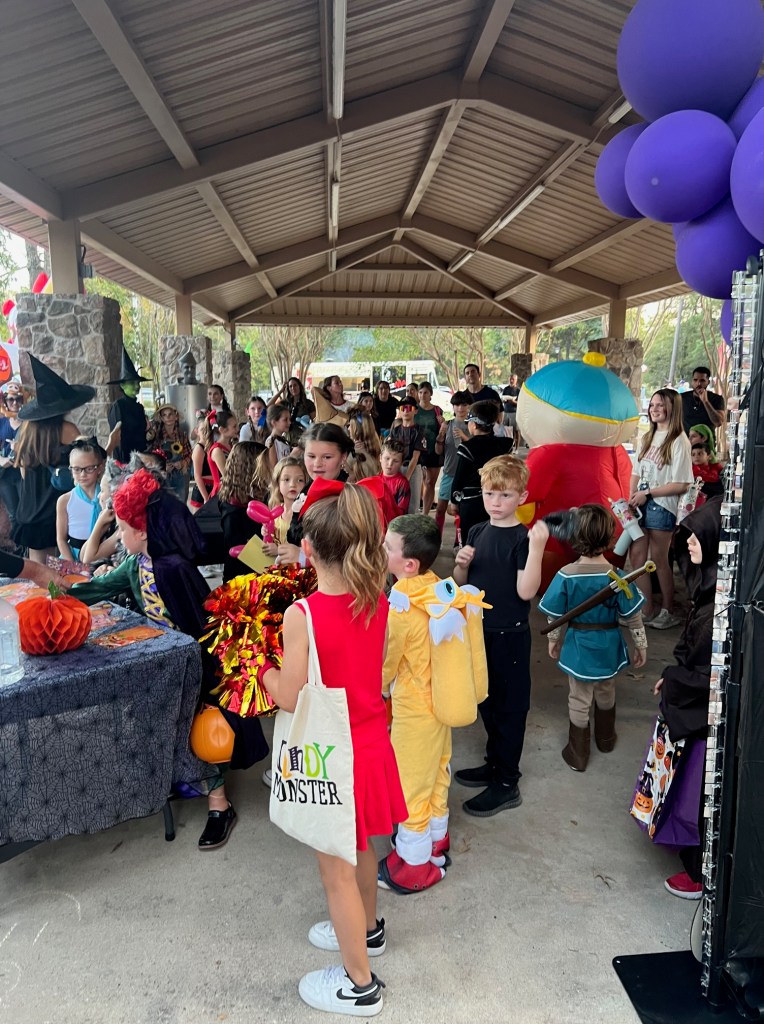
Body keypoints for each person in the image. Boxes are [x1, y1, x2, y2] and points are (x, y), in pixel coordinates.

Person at [261, 483, 406, 1017]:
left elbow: (289, 695)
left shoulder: (302, 615)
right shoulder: (378, 599)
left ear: (309, 549)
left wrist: (261, 669)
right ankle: (369, 930)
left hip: (332, 757)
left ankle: (359, 985)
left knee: (335, 871)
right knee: (360, 845)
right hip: (369, 744)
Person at [72, 469, 262, 851]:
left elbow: (202, 623)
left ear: (142, 531)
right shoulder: (135, 564)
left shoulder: (174, 568)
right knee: (165, 725)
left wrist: (211, 671)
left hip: (194, 666)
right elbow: (99, 588)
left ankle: (219, 804)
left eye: (123, 529)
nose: (119, 536)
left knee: (202, 730)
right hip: (161, 666)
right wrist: (56, 593)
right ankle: (179, 780)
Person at [378, 515, 480, 893]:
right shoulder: (437, 588)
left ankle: (414, 864)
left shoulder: (402, 607)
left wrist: (377, 689)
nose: (381, 549)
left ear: (409, 564)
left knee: (411, 786)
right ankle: (436, 841)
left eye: (388, 546)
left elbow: (386, 663)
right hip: (440, 701)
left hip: (413, 710)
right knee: (437, 772)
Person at [453, 455, 548, 816]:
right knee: (486, 702)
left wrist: (537, 549)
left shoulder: (523, 539)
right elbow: (462, 585)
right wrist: (461, 565)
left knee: (509, 708)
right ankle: (494, 763)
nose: (496, 501)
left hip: (509, 635)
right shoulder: (477, 531)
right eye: (490, 493)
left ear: (521, 497)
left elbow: (526, 591)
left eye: (505, 495)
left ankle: (507, 782)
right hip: (478, 631)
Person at [538, 504, 648, 772]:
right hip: (608, 645)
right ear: (610, 538)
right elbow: (634, 617)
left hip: (579, 646)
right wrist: (641, 645)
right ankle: (606, 739)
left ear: (574, 538)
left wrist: (554, 640)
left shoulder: (565, 575)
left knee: (579, 697)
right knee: (606, 689)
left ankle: (578, 754)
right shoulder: (618, 577)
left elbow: (555, 615)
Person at [654, 497, 721, 899]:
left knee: (703, 789)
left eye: (698, 537)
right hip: (698, 702)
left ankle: (700, 873)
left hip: (706, 715)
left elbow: (708, 674)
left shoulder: (718, 611)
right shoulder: (710, 592)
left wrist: (673, 679)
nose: (689, 544)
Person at [13, 355, 98, 563]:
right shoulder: (68, 430)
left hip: (30, 508)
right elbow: (87, 459)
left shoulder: (26, 432)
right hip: (54, 509)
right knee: (56, 568)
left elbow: (23, 472)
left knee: (36, 568)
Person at [629, 389, 692, 629]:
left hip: (661, 506)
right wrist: (631, 497)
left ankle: (667, 610)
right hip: (639, 503)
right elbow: (636, 472)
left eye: (660, 405)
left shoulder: (679, 440)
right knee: (636, 557)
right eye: (652, 404)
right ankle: (646, 609)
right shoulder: (648, 436)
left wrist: (648, 494)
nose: (654, 409)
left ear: (672, 408)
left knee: (658, 559)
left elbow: (682, 483)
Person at [276, 423, 353, 563]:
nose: (317, 463)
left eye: (327, 457)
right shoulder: (307, 488)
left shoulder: (348, 496)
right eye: (311, 456)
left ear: (343, 457)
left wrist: (304, 558)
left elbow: (346, 553)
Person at [448, 400, 513, 541]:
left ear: (474, 424)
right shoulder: (505, 445)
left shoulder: (468, 447)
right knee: (493, 538)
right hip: (498, 499)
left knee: (470, 540)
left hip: (472, 502)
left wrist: (454, 501)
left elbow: (459, 478)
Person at [218, 440, 267, 581]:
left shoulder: (243, 495)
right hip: (244, 577)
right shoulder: (234, 506)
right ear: (252, 466)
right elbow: (236, 548)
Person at [55, 437, 107, 561]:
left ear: (99, 468)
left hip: (101, 553)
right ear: (71, 469)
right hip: (72, 556)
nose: (83, 474)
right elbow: (61, 539)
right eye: (77, 469)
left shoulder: (106, 497)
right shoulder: (64, 500)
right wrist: (72, 565)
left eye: (89, 469)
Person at [433, 391, 470, 537]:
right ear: (453, 407)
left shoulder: (473, 425)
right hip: (449, 472)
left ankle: (459, 541)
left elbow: (477, 448)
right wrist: (440, 436)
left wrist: (464, 437)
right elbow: (438, 451)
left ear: (469, 406)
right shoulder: (447, 424)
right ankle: (436, 539)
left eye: (464, 405)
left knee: (461, 511)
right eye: (457, 405)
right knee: (440, 509)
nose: (460, 408)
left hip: (467, 476)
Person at [106, 348, 150, 463]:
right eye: (132, 383)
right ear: (122, 385)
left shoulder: (139, 408)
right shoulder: (118, 407)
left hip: (140, 458)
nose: (137, 386)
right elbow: (117, 439)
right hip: (124, 461)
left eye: (138, 383)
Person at [261, 456, 307, 559]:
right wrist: (266, 532)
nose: (293, 484)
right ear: (277, 483)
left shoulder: (307, 515)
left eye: (300, 480)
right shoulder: (275, 511)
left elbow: (308, 551)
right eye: (286, 479)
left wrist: (278, 550)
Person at [389, 398, 425, 514]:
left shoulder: (419, 430)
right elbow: (390, 451)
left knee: (412, 505)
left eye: (409, 408)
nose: (406, 411)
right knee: (395, 502)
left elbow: (415, 457)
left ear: (416, 411)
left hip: (413, 469)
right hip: (397, 467)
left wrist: (406, 477)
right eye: (402, 408)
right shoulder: (395, 430)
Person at [151, 403, 192, 504]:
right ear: (161, 418)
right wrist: (163, 466)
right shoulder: (157, 436)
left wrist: (183, 463)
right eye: (164, 415)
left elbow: (189, 454)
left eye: (170, 414)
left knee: (181, 505)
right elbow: (153, 457)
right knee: (165, 505)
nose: (168, 417)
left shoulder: (182, 435)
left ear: (175, 416)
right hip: (164, 477)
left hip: (181, 476)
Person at [415, 382, 444, 517]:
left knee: (430, 482)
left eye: (425, 392)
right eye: (420, 392)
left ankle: (425, 513)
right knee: (419, 481)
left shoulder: (437, 410)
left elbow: (442, 429)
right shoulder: (414, 410)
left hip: (433, 449)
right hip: (418, 450)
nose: (423, 395)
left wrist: (442, 423)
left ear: (431, 394)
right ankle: (415, 509)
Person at [0, 382, 24, 530]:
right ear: (5, 401)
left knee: (26, 510)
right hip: (5, 475)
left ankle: (26, 540)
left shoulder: (28, 424)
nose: (14, 403)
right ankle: (17, 541)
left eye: (18, 399)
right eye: (11, 399)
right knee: (13, 514)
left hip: (22, 472)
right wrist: (2, 460)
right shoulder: (1, 423)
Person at [269, 377, 316, 444]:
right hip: (287, 438)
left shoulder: (308, 403)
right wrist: (281, 391)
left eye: (295, 385)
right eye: (290, 386)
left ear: (299, 386)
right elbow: (269, 406)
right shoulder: (286, 403)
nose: (293, 388)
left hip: (303, 438)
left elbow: (315, 421)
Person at [680, 366, 725, 437]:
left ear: (708, 382)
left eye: (702, 381)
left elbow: (718, 423)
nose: (698, 384)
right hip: (685, 440)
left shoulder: (717, 399)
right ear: (692, 381)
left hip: (706, 442)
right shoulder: (681, 398)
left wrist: (706, 402)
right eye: (695, 380)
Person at [207, 409, 239, 496]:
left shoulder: (231, 445)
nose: (237, 429)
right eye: (234, 427)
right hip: (222, 492)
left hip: (231, 489)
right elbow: (226, 475)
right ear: (222, 430)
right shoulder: (217, 450)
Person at [346, 408, 382, 482]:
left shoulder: (357, 452)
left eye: (350, 426)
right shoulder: (375, 448)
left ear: (357, 430)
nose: (348, 429)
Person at [378, 438, 410, 518]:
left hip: (394, 523)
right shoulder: (376, 480)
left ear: (401, 463)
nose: (390, 464)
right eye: (387, 458)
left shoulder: (402, 483)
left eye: (395, 461)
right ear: (380, 458)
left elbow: (401, 512)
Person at [189, 414, 214, 509]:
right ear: (197, 431)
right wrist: (205, 497)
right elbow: (197, 476)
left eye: (208, 429)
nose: (206, 432)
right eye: (203, 430)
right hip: (202, 490)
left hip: (213, 487)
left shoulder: (212, 446)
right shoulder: (199, 449)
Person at [264, 403, 293, 471]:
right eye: (285, 420)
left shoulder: (283, 439)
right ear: (274, 422)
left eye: (289, 419)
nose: (289, 422)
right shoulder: (271, 442)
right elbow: (273, 467)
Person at [501, 373, 522, 448]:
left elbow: (520, 403)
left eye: (513, 379)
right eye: (510, 379)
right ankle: (508, 447)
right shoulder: (506, 389)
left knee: (516, 430)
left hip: (514, 412)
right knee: (506, 431)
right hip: (506, 412)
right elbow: (503, 398)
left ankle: (516, 448)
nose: (511, 380)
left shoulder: (518, 390)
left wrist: (513, 402)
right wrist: (504, 400)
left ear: (516, 380)